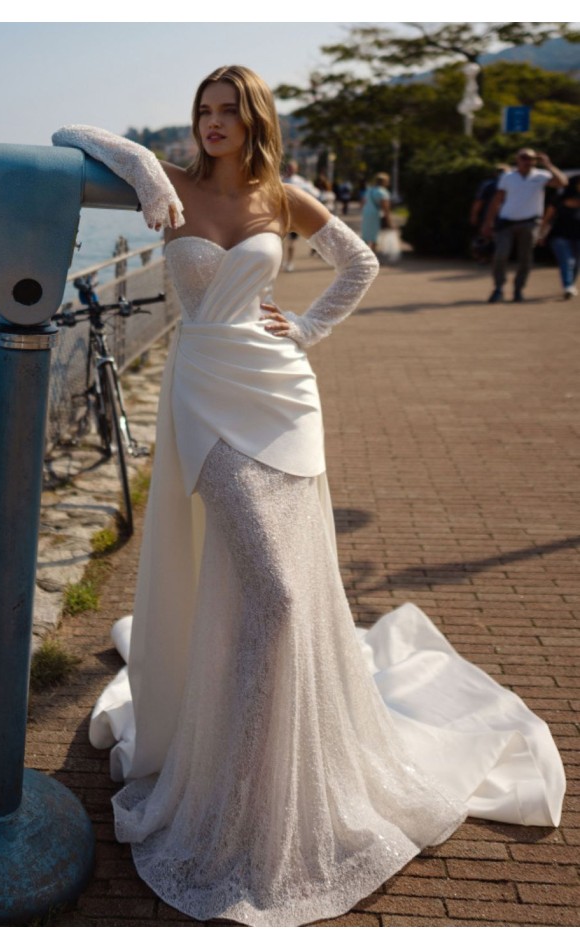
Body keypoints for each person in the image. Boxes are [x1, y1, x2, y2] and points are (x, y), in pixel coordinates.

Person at [53, 65, 565, 927]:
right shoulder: (172, 185)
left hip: (283, 395)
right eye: (203, 112)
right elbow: (79, 135)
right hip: (206, 396)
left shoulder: (281, 196)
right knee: (279, 595)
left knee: (278, 588)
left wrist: (313, 326)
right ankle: (243, 790)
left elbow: (357, 262)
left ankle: (267, 780)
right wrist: (143, 174)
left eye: (228, 111)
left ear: (254, 119)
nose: (213, 124)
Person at [482, 148, 568, 303]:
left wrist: (548, 165)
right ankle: (498, 288)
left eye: (531, 158)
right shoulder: (508, 177)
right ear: (517, 159)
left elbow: (562, 182)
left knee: (525, 258)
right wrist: (488, 222)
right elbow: (497, 199)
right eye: (524, 158)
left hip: (529, 222)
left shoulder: (541, 175)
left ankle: (518, 289)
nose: (527, 161)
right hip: (506, 221)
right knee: (500, 254)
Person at [538, 174, 580, 299]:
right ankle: (568, 286)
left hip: (578, 236)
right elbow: (546, 219)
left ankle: (570, 284)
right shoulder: (559, 199)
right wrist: (541, 234)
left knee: (576, 262)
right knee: (567, 260)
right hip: (559, 235)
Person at [280, 159, 318, 272]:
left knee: (291, 242)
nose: (290, 170)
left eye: (292, 168)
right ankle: (280, 262)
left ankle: (290, 262)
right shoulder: (279, 180)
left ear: (296, 169)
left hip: (294, 217)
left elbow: (315, 193)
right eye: (288, 167)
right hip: (280, 216)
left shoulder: (301, 182)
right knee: (278, 241)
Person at [360, 172, 392, 251]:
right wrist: (388, 220)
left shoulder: (369, 190)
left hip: (366, 213)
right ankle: (373, 253)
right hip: (375, 214)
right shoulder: (383, 192)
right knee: (374, 235)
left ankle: (364, 253)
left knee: (366, 234)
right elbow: (385, 207)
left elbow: (363, 202)